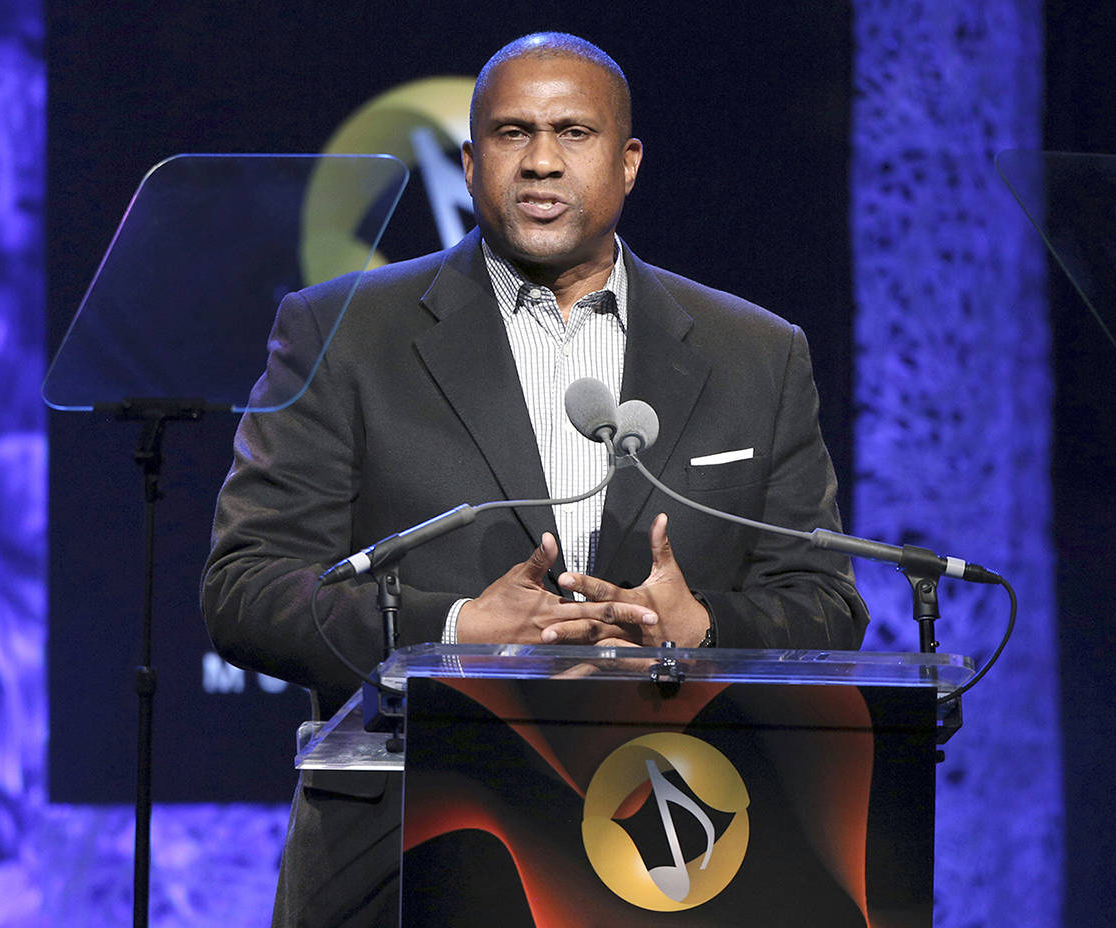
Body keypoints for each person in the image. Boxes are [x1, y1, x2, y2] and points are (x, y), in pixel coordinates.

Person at [202, 31, 868, 927]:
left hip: (671, 854)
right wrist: (451, 630)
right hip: (410, 851)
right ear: (473, 164)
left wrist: (704, 626)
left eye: (574, 133)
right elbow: (246, 588)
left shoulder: (757, 354)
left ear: (628, 162)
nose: (543, 162)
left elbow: (825, 602)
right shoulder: (341, 332)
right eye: (514, 134)